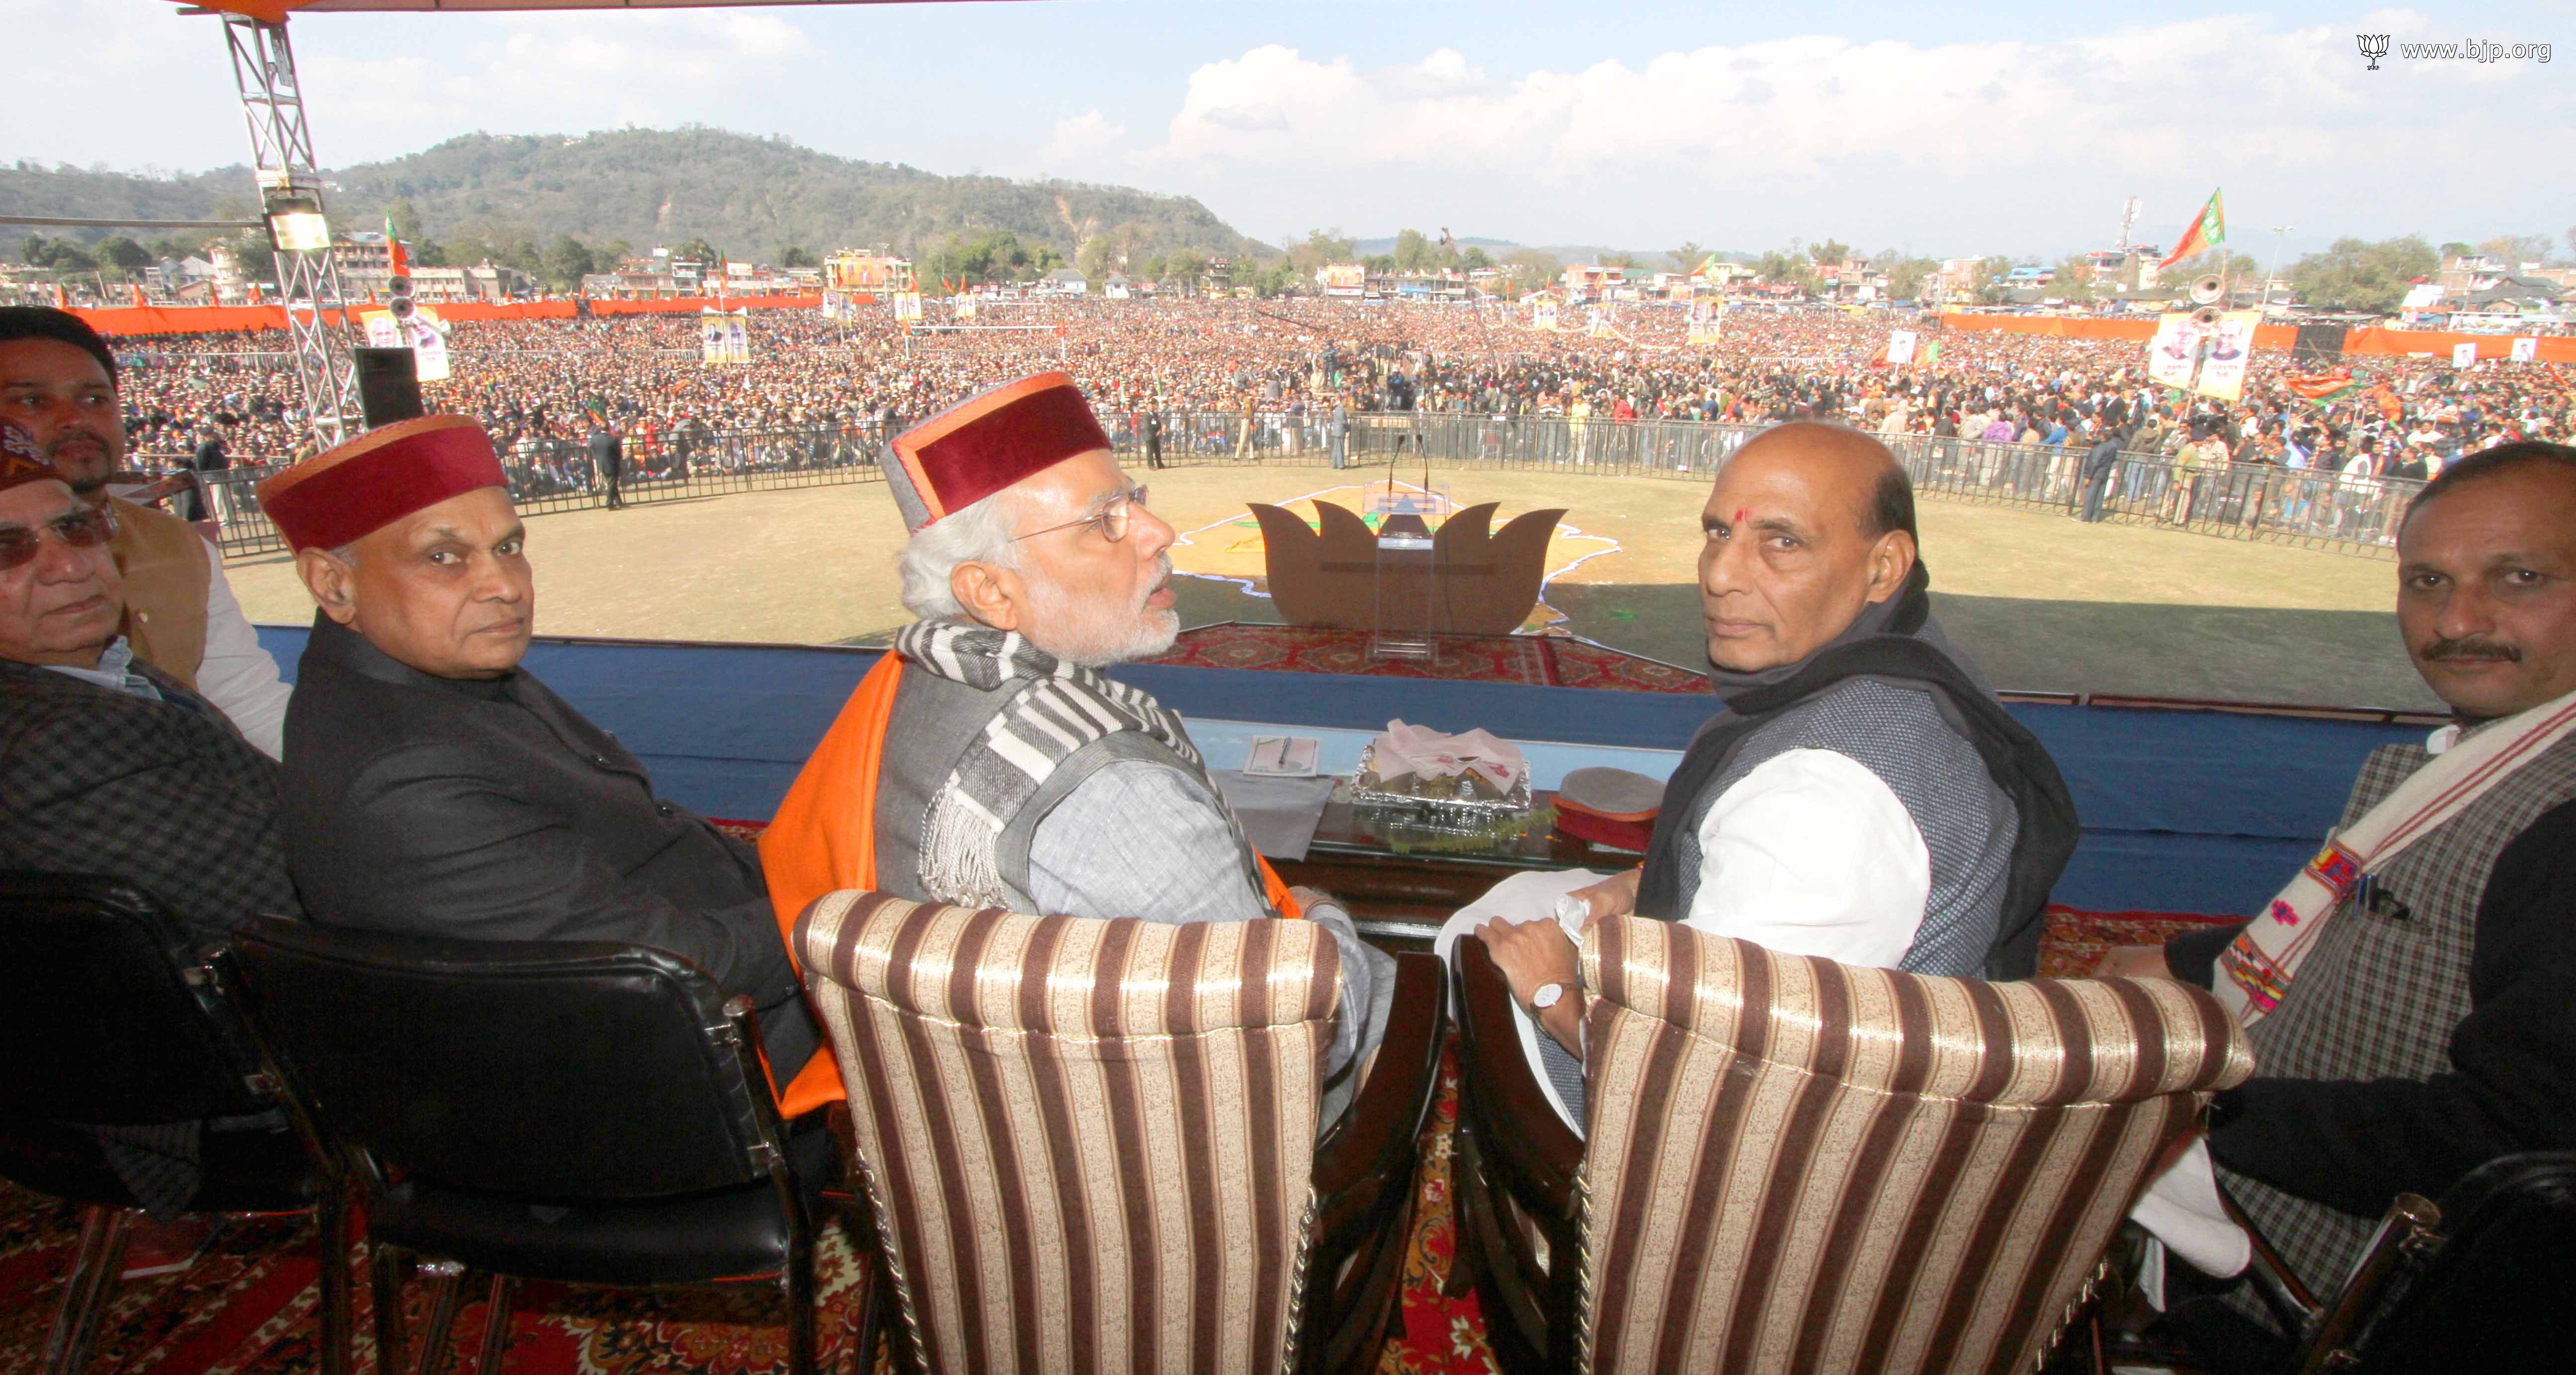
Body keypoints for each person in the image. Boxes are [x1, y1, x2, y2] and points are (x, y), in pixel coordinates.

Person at [760, 372, 1393, 1117]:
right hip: (1169, 1158)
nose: (1160, 534)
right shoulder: (1112, 792)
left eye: (1136, 502)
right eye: (1104, 521)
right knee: (1394, 983)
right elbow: (1303, 1033)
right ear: (990, 592)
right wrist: (1324, 917)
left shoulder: (902, 687)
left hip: (955, 1120)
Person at [2096, 439, 2576, 1307]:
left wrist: (2192, 1107)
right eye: (2427, 581)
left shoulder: (2560, 822)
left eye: (2521, 578)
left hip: (2335, 1285)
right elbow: (2362, 919)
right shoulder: (2495, 755)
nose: (2458, 619)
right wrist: (2189, 958)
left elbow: (2511, 1135)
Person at [1477, 422, 2078, 1101]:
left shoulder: (1824, 798)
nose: (1720, 575)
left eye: (1782, 542)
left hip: (1757, 1153)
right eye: (1719, 533)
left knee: (1473, 959)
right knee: (1521, 903)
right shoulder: (1908, 662)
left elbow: (1707, 1080)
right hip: (1860, 1045)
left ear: (1884, 567)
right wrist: (1638, 885)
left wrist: (1553, 993)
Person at [258, 414, 819, 1084]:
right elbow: (671, 968)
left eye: (509, 546)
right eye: (444, 557)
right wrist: (851, 907)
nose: (505, 585)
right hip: (670, 1085)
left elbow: (639, 829)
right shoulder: (402, 772)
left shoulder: (434, 674)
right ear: (332, 583)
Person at [0, 422, 301, 1226]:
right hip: (241, 1089)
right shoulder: (59, 741)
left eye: (74, 526)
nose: (69, 565)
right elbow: (318, 891)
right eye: (8, 549)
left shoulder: (91, 678)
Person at [0, 307, 293, 758]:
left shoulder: (178, 545)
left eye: (95, 399)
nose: (73, 419)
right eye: (33, 402)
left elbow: (246, 705)